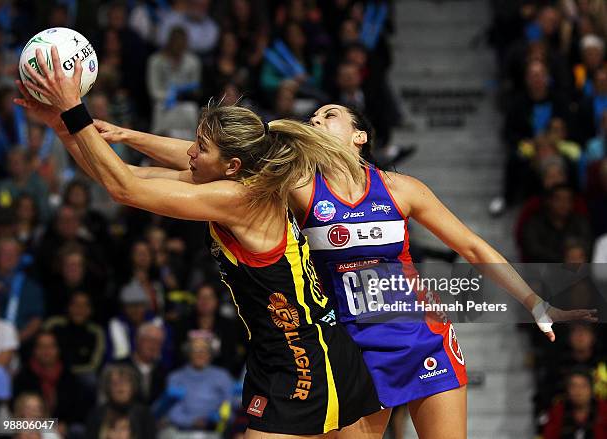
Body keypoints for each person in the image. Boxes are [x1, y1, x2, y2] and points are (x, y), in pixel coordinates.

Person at [82, 101, 599, 439]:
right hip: (351, 350)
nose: (316, 119)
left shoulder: (401, 189)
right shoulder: (297, 186)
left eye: (330, 114)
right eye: (313, 116)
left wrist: (535, 301)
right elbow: (207, 161)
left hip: (423, 340)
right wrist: (128, 135)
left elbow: (471, 244)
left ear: (358, 137)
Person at [19, 47, 382, 438]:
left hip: (305, 355)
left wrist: (76, 110)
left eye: (201, 148)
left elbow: (124, 189)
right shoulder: (230, 181)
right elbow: (122, 174)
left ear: (231, 167)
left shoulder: (237, 199)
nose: (189, 153)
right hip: (279, 351)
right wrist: (63, 126)